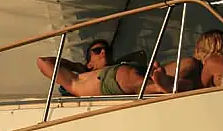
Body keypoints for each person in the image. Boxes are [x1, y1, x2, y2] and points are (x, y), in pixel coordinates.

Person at [37, 39, 170, 97]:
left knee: (181, 65)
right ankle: (158, 87)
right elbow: (43, 62)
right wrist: (75, 66)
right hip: (114, 81)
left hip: (146, 75)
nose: (103, 52)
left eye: (107, 50)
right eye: (97, 51)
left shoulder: (124, 64)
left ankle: (172, 83)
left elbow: (141, 55)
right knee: (125, 78)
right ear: (89, 64)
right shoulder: (78, 79)